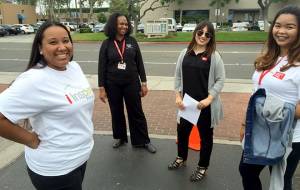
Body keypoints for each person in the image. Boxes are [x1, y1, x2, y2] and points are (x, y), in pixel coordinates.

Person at [0, 21, 94, 190]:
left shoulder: (74, 67)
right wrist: (30, 140)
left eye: (66, 40)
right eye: (53, 42)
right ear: (40, 48)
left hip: (80, 157)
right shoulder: (33, 80)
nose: (62, 47)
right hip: (56, 170)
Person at [239, 5, 300, 190]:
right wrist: (244, 123)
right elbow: (255, 93)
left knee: (280, 181)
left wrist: (270, 112)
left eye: (289, 27)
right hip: (258, 130)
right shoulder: (269, 57)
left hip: (287, 135)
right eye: (278, 25)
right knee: (246, 171)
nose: (281, 31)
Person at [168, 21, 225, 182]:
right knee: (182, 132)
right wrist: (178, 96)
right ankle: (181, 157)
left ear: (211, 37)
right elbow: (178, 76)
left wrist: (209, 98)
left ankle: (202, 167)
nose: (203, 36)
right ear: (195, 32)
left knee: (206, 138)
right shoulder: (184, 53)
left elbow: (220, 80)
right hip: (187, 104)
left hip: (204, 106)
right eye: (200, 32)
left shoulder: (214, 55)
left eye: (207, 34)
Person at [97, 12, 156, 153]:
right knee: (116, 112)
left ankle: (142, 140)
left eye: (125, 23)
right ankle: (120, 137)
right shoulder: (107, 44)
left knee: (136, 112)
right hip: (112, 84)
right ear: (113, 25)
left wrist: (144, 83)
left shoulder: (132, 41)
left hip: (131, 83)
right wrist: (101, 88)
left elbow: (139, 63)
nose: (124, 26)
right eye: (120, 23)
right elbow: (101, 67)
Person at [284, 105, 300, 190]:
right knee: (279, 177)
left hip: (295, 139)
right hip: (276, 137)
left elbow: (297, 113)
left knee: (285, 178)